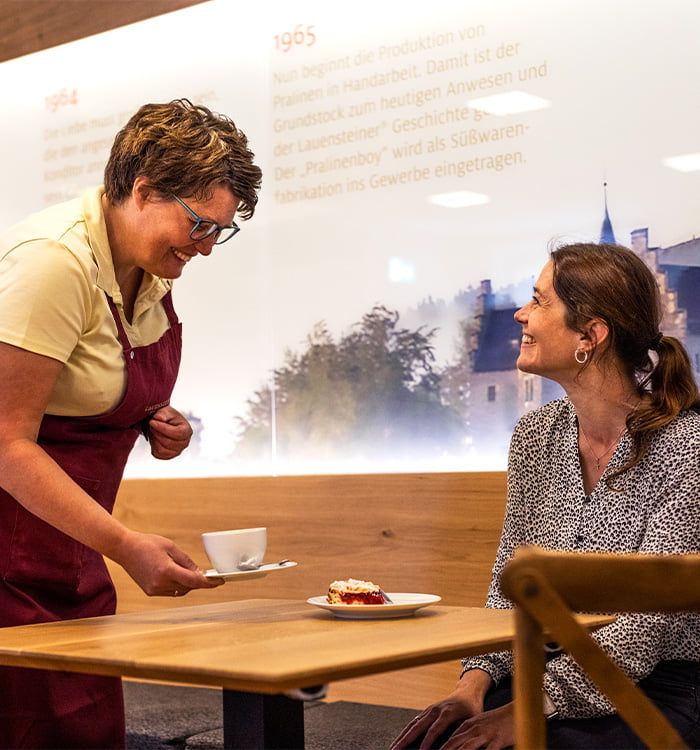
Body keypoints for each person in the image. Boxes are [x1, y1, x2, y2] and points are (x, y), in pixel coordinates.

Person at [0, 99, 262, 748]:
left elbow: (86, 392)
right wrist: (124, 544)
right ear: (143, 190)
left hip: (70, 559)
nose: (204, 248)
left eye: (219, 232)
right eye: (199, 224)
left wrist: (155, 422)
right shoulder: (53, 262)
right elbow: (6, 443)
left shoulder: (148, 267)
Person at [392, 242, 700, 749]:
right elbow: (509, 584)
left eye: (539, 301)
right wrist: (473, 685)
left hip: (660, 687)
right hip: (545, 674)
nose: (520, 314)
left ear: (590, 336)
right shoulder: (535, 435)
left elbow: (646, 632)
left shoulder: (687, 445)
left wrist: (528, 711)